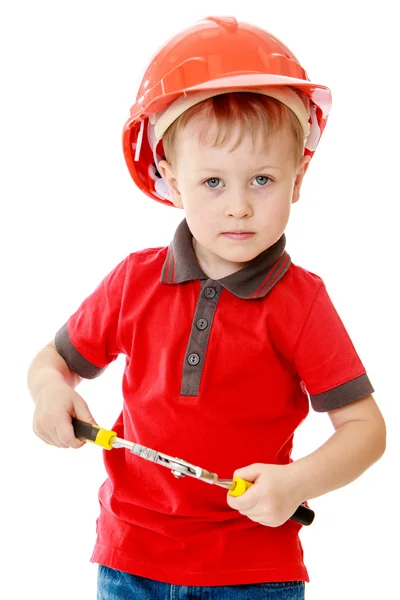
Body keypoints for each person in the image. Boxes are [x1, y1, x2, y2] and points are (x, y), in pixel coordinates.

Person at [27, 16, 386, 600]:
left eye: (262, 179)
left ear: (299, 177)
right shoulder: (132, 282)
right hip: (130, 563)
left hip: (253, 572)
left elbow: (365, 430)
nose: (239, 207)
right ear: (170, 178)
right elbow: (51, 361)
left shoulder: (303, 303)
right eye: (214, 181)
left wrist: (298, 482)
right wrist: (49, 392)